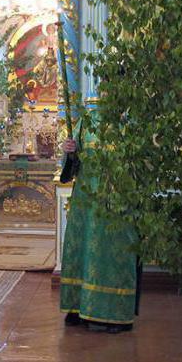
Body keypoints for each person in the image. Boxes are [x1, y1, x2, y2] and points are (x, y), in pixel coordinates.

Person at [59, 115, 138, 333]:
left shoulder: (132, 121)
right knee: (82, 252)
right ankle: (78, 307)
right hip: (86, 200)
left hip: (117, 200)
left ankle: (115, 313)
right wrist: (70, 151)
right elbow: (70, 168)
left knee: (114, 254)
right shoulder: (86, 121)